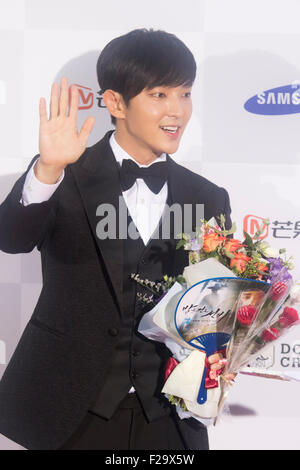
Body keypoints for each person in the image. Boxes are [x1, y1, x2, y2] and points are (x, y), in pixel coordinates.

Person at [0, 28, 232, 450]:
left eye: (184, 94)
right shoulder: (63, 174)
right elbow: (12, 238)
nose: (177, 110)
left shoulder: (208, 197)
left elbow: (214, 304)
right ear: (114, 103)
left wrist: (219, 353)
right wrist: (48, 170)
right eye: (159, 95)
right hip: (70, 410)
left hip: (170, 414)